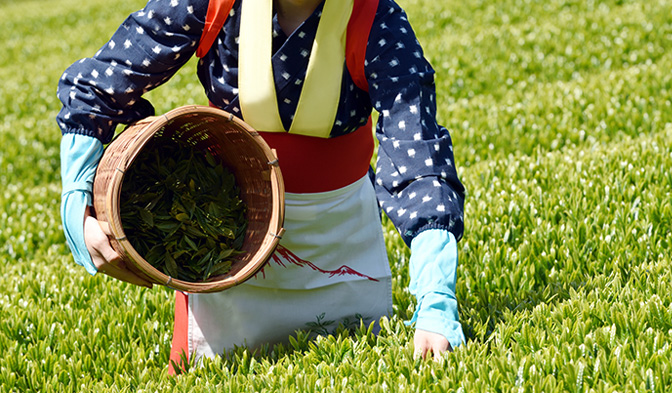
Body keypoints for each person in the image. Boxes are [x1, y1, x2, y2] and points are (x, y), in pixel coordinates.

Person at [57, 0, 466, 368]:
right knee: (215, 369)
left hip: (337, 240)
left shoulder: (376, 19)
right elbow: (99, 86)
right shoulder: (212, 5)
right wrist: (78, 207)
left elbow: (418, 156)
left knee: (359, 353)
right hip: (230, 238)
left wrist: (436, 300)